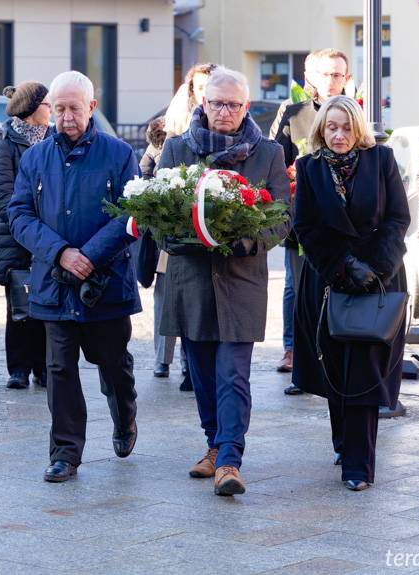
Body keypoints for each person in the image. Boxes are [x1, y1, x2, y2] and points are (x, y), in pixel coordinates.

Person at [157, 67, 291, 496]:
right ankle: (214, 443)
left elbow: (283, 218)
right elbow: (155, 212)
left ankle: (230, 459)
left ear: (246, 107)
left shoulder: (267, 154)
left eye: (234, 104)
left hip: (240, 279)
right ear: (203, 104)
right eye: (217, 102)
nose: (225, 111)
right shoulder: (177, 149)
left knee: (233, 372)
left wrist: (247, 240)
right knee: (201, 372)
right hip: (191, 278)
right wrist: (182, 238)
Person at [9, 71, 141, 483]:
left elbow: (132, 212)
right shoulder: (34, 158)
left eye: (74, 109)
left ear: (92, 109)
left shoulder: (119, 155)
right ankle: (66, 453)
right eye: (60, 109)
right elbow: (19, 215)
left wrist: (89, 256)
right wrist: (61, 253)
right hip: (54, 283)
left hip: (105, 284)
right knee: (60, 370)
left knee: (113, 364)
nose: (66, 117)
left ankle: (124, 417)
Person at [292, 96, 410, 491]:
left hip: (380, 278)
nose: (339, 135)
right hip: (327, 280)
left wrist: (375, 268)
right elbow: (305, 227)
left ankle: (359, 465)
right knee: (335, 366)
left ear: (357, 129)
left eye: (345, 127)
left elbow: (398, 218)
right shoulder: (309, 168)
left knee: (364, 368)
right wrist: (342, 268)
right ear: (321, 130)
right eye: (331, 128)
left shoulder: (382, 160)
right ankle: (344, 442)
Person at [270, 49, 352, 388]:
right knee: (298, 286)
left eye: (338, 74)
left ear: (346, 78)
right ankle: (294, 351)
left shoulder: (358, 112)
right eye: (326, 74)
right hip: (302, 219)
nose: (331, 80)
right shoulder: (294, 113)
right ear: (311, 76)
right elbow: (276, 163)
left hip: (347, 223)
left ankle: (341, 349)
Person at [0, 81, 50, 390]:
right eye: (48, 104)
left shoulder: (55, 139)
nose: (52, 109)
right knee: (19, 306)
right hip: (15, 238)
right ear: (31, 110)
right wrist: (29, 223)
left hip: (50, 238)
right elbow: (1, 194)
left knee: (48, 305)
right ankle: (19, 368)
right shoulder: (6, 144)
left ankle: (44, 367)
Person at [139, 116, 192, 390]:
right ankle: (165, 359)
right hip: (165, 236)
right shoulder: (156, 151)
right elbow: (145, 184)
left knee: (181, 301)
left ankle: (180, 360)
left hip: (187, 232)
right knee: (165, 298)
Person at [164, 63, 217, 137]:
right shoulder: (181, 125)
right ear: (193, 91)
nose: (205, 93)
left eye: (210, 87)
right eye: (200, 88)